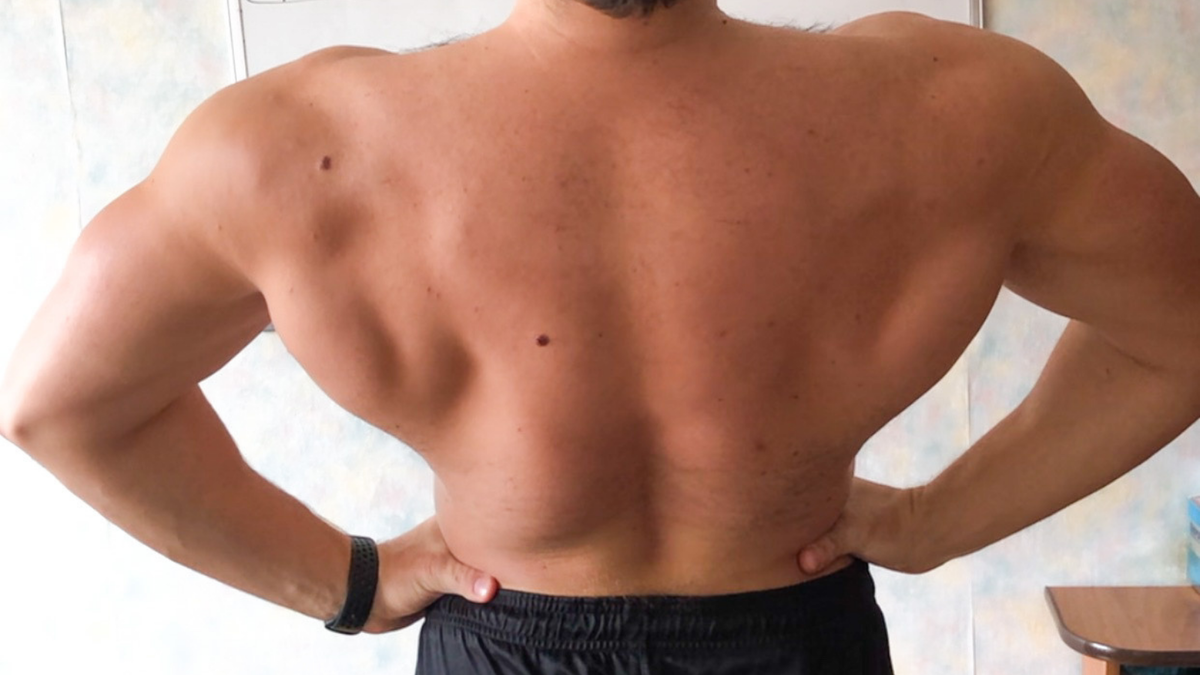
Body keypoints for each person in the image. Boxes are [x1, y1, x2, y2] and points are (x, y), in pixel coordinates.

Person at [2, 0, 1199, 672]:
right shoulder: (962, 108)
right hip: (798, 638)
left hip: (501, 641)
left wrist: (349, 583)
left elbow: (59, 408)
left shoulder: (293, 148)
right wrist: (934, 523)